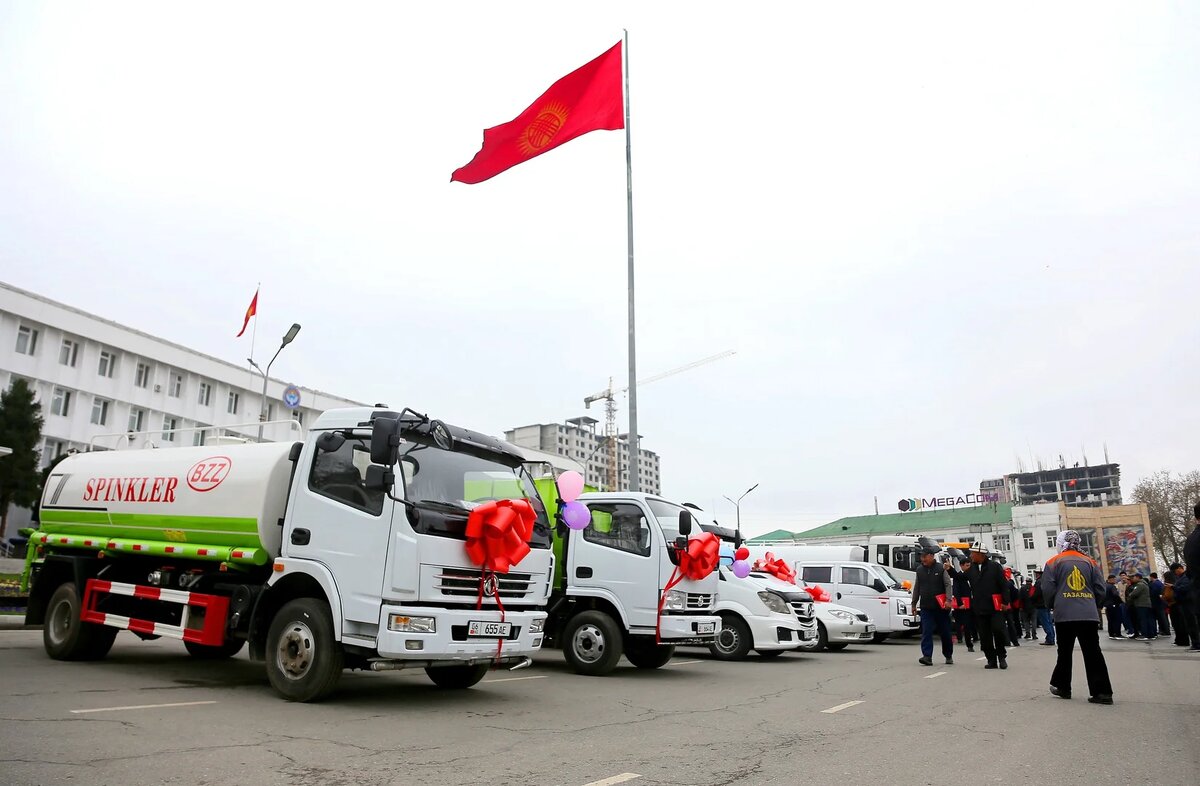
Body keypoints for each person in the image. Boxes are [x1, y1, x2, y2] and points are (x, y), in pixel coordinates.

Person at [1042, 530, 1114, 705]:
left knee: (1064, 652)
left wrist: (1053, 604)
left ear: (1060, 543)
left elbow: (1048, 590)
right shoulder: (1090, 562)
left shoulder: (1053, 562)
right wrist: (1091, 603)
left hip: (1064, 614)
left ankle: (1063, 687)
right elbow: (1100, 589)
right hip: (1088, 615)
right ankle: (1102, 692)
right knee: (1093, 652)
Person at [965, 544, 1011, 669]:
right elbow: (960, 578)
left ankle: (1001, 657)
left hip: (996, 608)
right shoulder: (971, 569)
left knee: (998, 630)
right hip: (980, 609)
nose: (970, 556)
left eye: (972, 553)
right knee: (985, 637)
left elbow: (1004, 585)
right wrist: (950, 570)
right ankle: (991, 659)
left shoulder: (994, 567)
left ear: (980, 554)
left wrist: (1005, 602)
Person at [910, 547, 955, 666]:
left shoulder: (941, 568)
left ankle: (948, 654)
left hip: (941, 607)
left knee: (945, 632)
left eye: (924, 556)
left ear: (931, 556)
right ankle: (927, 656)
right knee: (926, 631)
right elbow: (917, 588)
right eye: (921, 557)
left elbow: (948, 584)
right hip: (926, 607)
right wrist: (914, 603)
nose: (922, 559)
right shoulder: (919, 570)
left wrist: (948, 600)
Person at [1172, 562, 1200, 651]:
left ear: (1180, 568)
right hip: (1183, 603)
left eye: (1176, 571)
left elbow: (1185, 588)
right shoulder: (1180, 578)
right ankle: (1195, 643)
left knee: (1192, 624)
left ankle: (1197, 644)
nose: (1175, 573)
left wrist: (1174, 587)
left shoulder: (1186, 577)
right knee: (1189, 624)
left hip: (1189, 602)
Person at [952, 557, 976, 652]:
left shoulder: (973, 575)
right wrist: (960, 603)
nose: (968, 567)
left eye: (969, 565)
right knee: (966, 624)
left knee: (977, 622)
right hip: (964, 604)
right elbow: (956, 591)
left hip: (974, 602)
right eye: (966, 566)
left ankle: (978, 639)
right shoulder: (958, 577)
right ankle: (969, 644)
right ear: (961, 566)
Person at [1164, 566, 1190, 647]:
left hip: (1177, 603)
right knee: (1176, 623)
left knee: (1180, 623)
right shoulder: (1178, 579)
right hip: (1174, 604)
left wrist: (1172, 587)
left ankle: (1183, 640)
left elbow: (1183, 589)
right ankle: (1179, 640)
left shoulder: (1182, 579)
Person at [1126, 573, 1154, 641]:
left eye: (1134, 577)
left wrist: (1130, 594)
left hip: (1141, 604)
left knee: (1143, 620)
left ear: (1138, 577)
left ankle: (1144, 635)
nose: (1133, 579)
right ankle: (1150, 634)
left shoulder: (1140, 584)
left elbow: (1134, 593)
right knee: (1146, 620)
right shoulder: (1144, 584)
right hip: (1145, 604)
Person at [1032, 569, 1055, 645]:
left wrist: (1032, 599)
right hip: (1046, 604)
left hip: (1040, 605)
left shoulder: (1038, 582)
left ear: (1038, 574)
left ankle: (1049, 639)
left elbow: (1036, 594)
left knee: (1045, 622)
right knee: (1049, 622)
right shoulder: (1046, 581)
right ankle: (1051, 638)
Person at [1103, 575, 1126, 639]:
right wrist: (1120, 601)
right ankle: (1117, 634)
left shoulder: (1105, 586)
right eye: (1114, 579)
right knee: (1117, 620)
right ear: (1111, 579)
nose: (1115, 581)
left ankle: (1111, 634)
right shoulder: (1112, 587)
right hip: (1114, 605)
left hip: (1108, 606)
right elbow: (1115, 594)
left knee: (1110, 621)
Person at [1004, 567, 1022, 647]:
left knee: (1003, 625)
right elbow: (1015, 594)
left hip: (1000, 606)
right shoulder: (1009, 584)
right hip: (1009, 606)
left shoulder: (995, 583)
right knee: (1011, 623)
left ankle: (1007, 641)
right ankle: (1015, 641)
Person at [1148, 572, 1170, 637]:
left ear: (1151, 577)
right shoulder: (1160, 583)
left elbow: (1153, 593)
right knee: (1163, 617)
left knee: (1161, 618)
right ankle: (1165, 630)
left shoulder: (1154, 584)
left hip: (1157, 603)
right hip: (1161, 602)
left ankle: (1165, 631)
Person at [1118, 571, 1135, 636]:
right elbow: (1120, 592)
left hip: (1128, 602)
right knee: (1124, 617)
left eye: (1124, 575)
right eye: (1121, 575)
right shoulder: (1119, 583)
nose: (1123, 577)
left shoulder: (1128, 584)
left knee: (1129, 616)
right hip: (1122, 602)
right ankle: (1128, 628)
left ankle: (1132, 630)